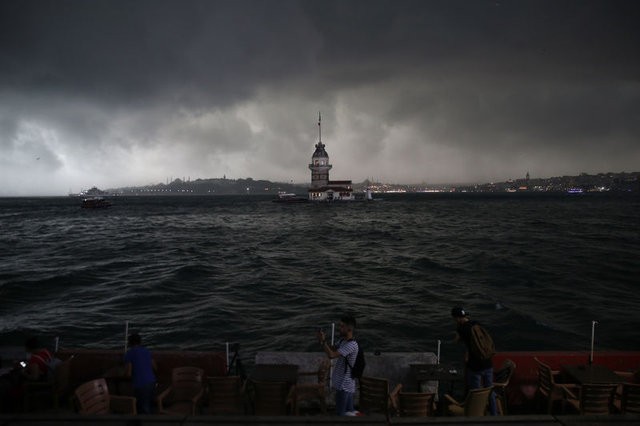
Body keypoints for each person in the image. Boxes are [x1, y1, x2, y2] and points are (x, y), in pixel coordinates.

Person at [451, 306, 497, 415]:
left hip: (475, 367)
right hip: (488, 363)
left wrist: (458, 329)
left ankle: (476, 415)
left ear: (457, 318)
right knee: (489, 390)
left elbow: (456, 341)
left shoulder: (461, 329)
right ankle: (494, 415)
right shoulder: (477, 324)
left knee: (476, 393)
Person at [317, 314, 360, 416]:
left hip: (344, 384)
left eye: (342, 326)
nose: (339, 328)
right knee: (350, 411)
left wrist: (323, 342)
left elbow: (331, 355)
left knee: (341, 414)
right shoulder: (343, 341)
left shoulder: (352, 345)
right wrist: (322, 340)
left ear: (349, 329)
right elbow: (332, 349)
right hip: (344, 383)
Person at [124, 333, 157, 414]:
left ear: (129, 343)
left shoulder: (129, 354)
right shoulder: (147, 351)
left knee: (143, 408)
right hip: (152, 382)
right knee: (150, 404)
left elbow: (128, 373)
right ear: (140, 342)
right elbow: (155, 367)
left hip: (140, 384)